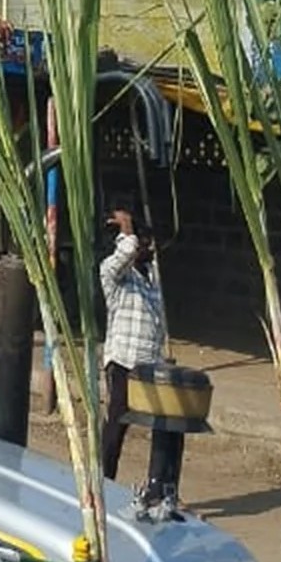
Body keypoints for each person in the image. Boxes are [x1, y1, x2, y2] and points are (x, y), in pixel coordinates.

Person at [99, 207, 181, 511]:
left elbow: (157, 321)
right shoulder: (113, 274)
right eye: (142, 243)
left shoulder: (152, 278)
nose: (148, 248)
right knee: (116, 424)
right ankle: (102, 483)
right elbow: (124, 255)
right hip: (122, 361)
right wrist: (128, 231)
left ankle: (159, 487)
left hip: (150, 363)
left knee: (166, 424)